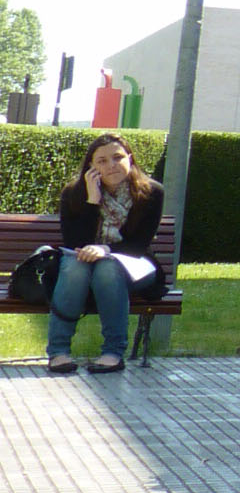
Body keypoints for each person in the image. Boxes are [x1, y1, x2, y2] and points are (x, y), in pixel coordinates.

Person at [47, 134, 164, 375]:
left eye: (118, 157)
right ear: (91, 166)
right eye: (101, 161)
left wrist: (104, 249)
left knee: (108, 267)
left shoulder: (151, 192)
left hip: (135, 267)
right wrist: (93, 201)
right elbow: (74, 243)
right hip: (82, 269)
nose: (111, 165)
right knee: (75, 263)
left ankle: (113, 352)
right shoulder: (74, 193)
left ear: (130, 159)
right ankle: (58, 352)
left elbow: (138, 246)